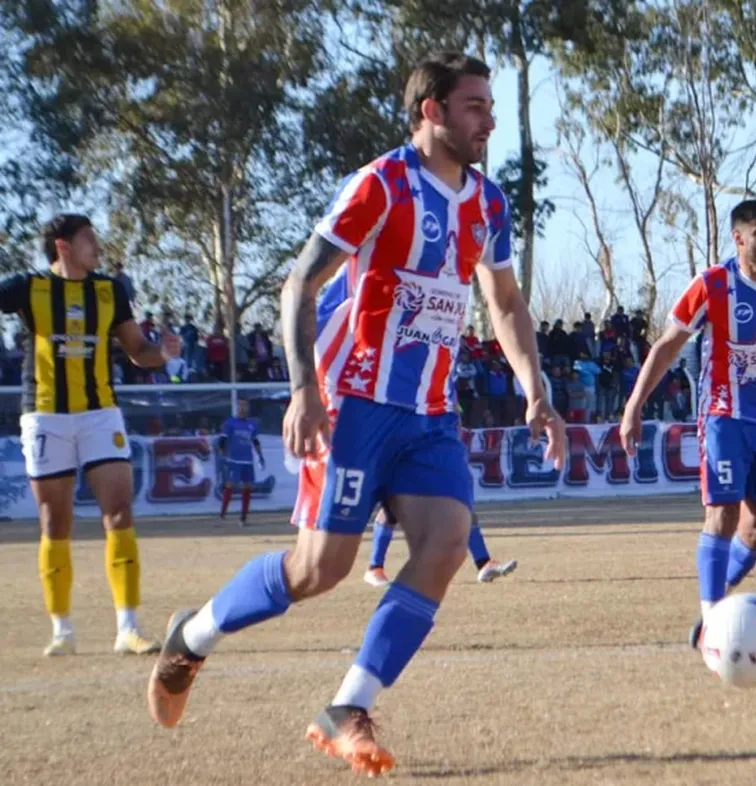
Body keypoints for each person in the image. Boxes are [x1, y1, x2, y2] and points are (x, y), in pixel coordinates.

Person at [145, 52, 566, 776]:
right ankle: (194, 634)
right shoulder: (382, 185)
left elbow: (503, 302)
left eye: (490, 106)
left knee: (445, 541)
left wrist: (536, 388)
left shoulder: (489, 204)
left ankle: (348, 706)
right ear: (430, 112)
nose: (488, 119)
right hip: (352, 403)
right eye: (473, 105)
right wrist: (304, 388)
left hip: (429, 410)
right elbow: (300, 285)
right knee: (319, 571)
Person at [619, 199, 756, 655]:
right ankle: (714, 621)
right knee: (724, 514)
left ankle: (719, 599)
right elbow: (667, 345)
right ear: (739, 238)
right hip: (724, 412)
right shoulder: (712, 285)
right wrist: (634, 405)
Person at [0, 214, 181, 657]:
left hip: (101, 413)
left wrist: (163, 353)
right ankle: (62, 631)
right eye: (87, 239)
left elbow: (138, 351)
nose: (96, 245)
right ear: (62, 246)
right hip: (45, 415)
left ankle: (129, 628)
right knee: (53, 522)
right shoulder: (27, 287)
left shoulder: (109, 290)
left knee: (119, 511)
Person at [364, 506, 516, 587]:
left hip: (433, 460)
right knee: (391, 509)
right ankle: (375, 568)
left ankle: (484, 564)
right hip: (407, 460)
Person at [218, 399, 266, 527]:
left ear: (248, 407)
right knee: (230, 485)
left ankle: (243, 517)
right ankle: (222, 514)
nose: (242, 408)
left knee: (248, 487)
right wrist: (222, 454)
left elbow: (255, 441)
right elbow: (222, 439)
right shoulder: (230, 423)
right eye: (240, 405)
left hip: (248, 460)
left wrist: (260, 456)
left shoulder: (252, 424)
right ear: (237, 407)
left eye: (245, 405)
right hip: (234, 460)